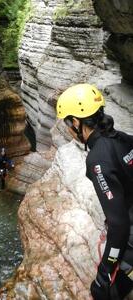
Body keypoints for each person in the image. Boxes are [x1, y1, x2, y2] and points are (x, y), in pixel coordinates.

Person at [56, 83, 133, 300]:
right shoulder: (122, 138)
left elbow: (119, 225)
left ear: (76, 122)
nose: (67, 129)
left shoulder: (98, 159)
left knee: (102, 291)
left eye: (67, 123)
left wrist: (105, 273)